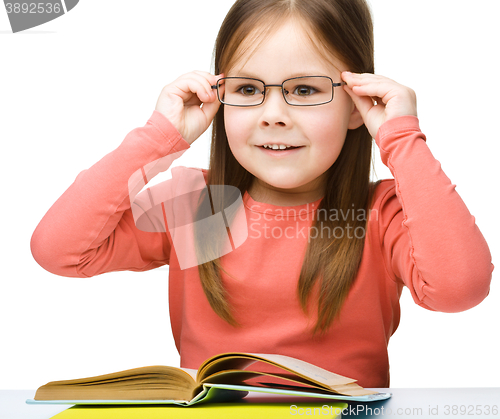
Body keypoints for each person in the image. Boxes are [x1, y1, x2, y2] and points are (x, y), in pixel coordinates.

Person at [30, 0, 492, 388]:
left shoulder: (378, 213)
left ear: (357, 104)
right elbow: (60, 252)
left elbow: (459, 289)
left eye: (305, 90)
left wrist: (401, 138)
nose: (273, 115)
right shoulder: (201, 207)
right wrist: (158, 137)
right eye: (248, 88)